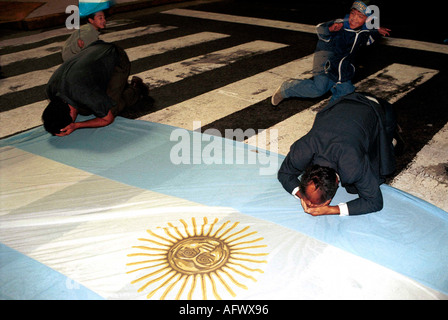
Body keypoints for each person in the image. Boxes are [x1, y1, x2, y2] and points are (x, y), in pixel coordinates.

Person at [277, 92, 397, 216]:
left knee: (379, 164)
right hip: (343, 103)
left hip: (376, 109)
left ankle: (392, 136)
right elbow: (284, 173)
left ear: (336, 185)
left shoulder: (352, 163)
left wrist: (331, 209)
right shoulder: (303, 150)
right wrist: (303, 196)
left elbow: (374, 202)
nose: (310, 205)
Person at [271, 0, 391, 106]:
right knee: (318, 89)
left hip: (343, 65)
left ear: (368, 20)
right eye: (353, 13)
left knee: (345, 91)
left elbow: (367, 40)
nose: (354, 18)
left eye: (360, 16)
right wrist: (330, 29)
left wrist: (376, 30)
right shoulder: (341, 24)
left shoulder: (365, 30)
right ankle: (286, 89)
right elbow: (320, 29)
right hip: (325, 60)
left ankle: (330, 116)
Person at [43, 40, 149, 136]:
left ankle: (136, 89)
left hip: (116, 57)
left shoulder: (82, 92)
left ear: (71, 114)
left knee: (112, 108)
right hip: (94, 49)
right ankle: (116, 87)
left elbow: (107, 119)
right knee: (87, 109)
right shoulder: (50, 90)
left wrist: (76, 125)